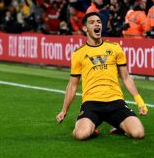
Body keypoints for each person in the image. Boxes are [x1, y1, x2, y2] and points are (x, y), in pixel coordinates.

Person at [56, 12, 148, 140]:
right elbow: (72, 85)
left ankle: (120, 126)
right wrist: (64, 110)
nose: (97, 24)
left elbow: (126, 77)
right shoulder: (78, 53)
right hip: (91, 104)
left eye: (98, 22)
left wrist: (139, 101)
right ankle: (92, 129)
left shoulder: (115, 48)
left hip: (116, 102)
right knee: (80, 135)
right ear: (85, 28)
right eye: (92, 22)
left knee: (138, 133)